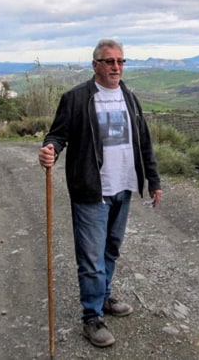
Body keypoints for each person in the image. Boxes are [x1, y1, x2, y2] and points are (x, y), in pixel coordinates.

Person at [38, 39, 162, 348]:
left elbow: (144, 143)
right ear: (96, 65)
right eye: (109, 61)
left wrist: (154, 181)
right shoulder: (77, 98)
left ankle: (104, 297)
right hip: (91, 190)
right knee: (91, 258)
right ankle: (91, 317)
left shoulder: (130, 99)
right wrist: (50, 148)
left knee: (111, 250)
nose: (116, 67)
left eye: (120, 61)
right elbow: (58, 134)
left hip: (124, 187)